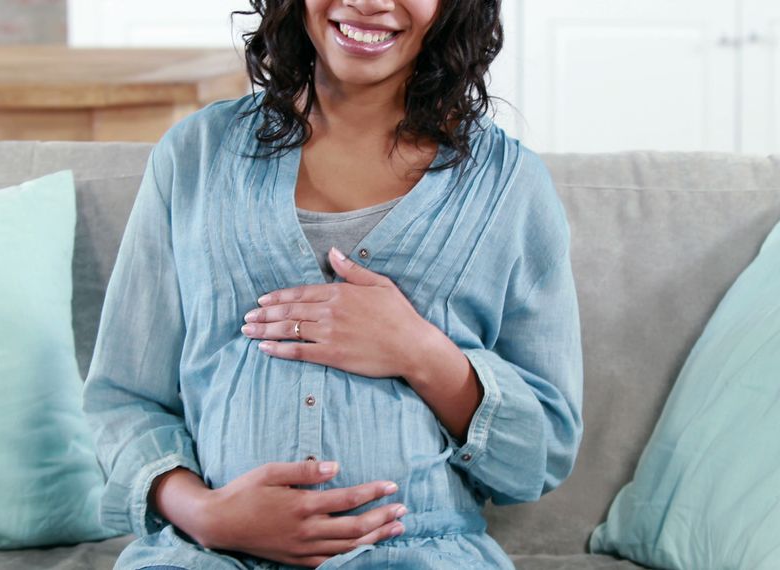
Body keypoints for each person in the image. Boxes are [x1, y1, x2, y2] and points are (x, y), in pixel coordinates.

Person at [81, 0, 584, 567]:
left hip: (422, 555)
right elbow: (124, 398)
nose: (369, 2)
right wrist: (204, 513)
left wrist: (420, 352)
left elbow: (541, 453)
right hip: (205, 555)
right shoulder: (194, 155)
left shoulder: (509, 188)